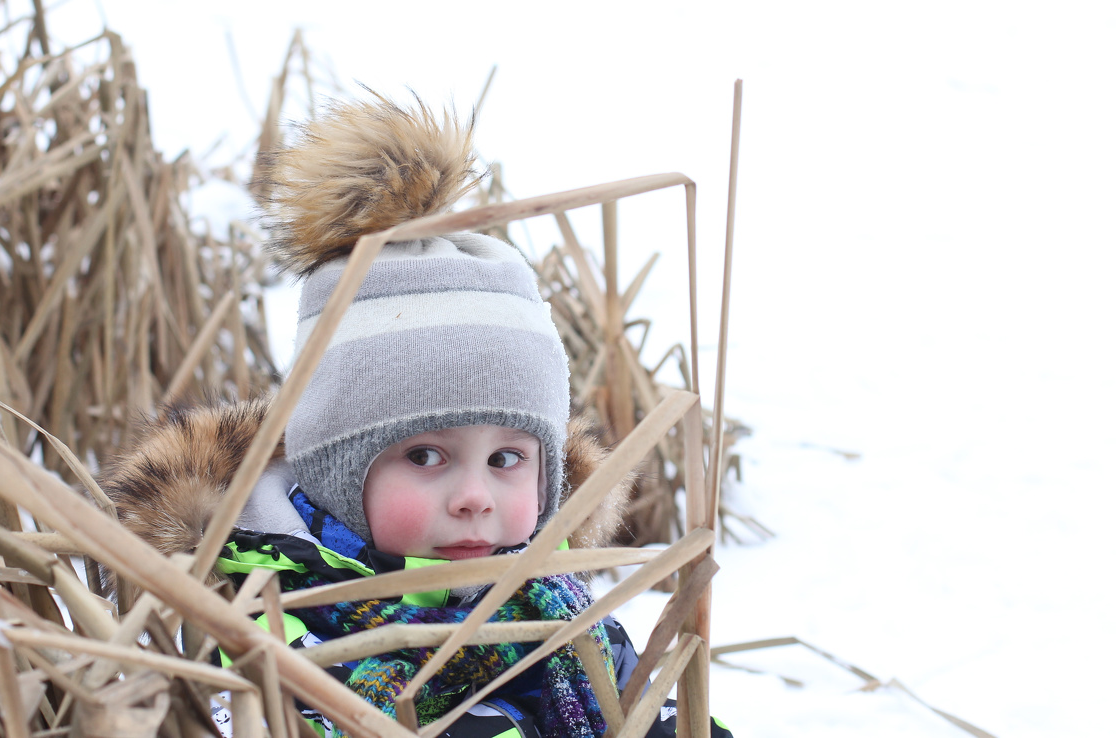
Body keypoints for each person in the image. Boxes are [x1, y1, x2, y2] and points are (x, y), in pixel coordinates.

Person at [101, 95, 731, 738]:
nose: (474, 497)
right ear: (335, 470)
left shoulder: (562, 612)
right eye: (426, 456)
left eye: (507, 458)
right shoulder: (266, 632)